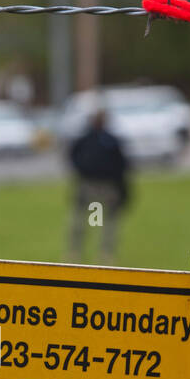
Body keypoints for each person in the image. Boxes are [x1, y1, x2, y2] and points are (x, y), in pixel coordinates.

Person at [67, 110, 130, 265]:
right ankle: (74, 252)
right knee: (81, 221)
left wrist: (121, 188)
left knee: (107, 223)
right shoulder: (85, 140)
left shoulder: (111, 141)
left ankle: (105, 253)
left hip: (107, 186)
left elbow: (121, 165)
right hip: (88, 184)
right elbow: (72, 156)